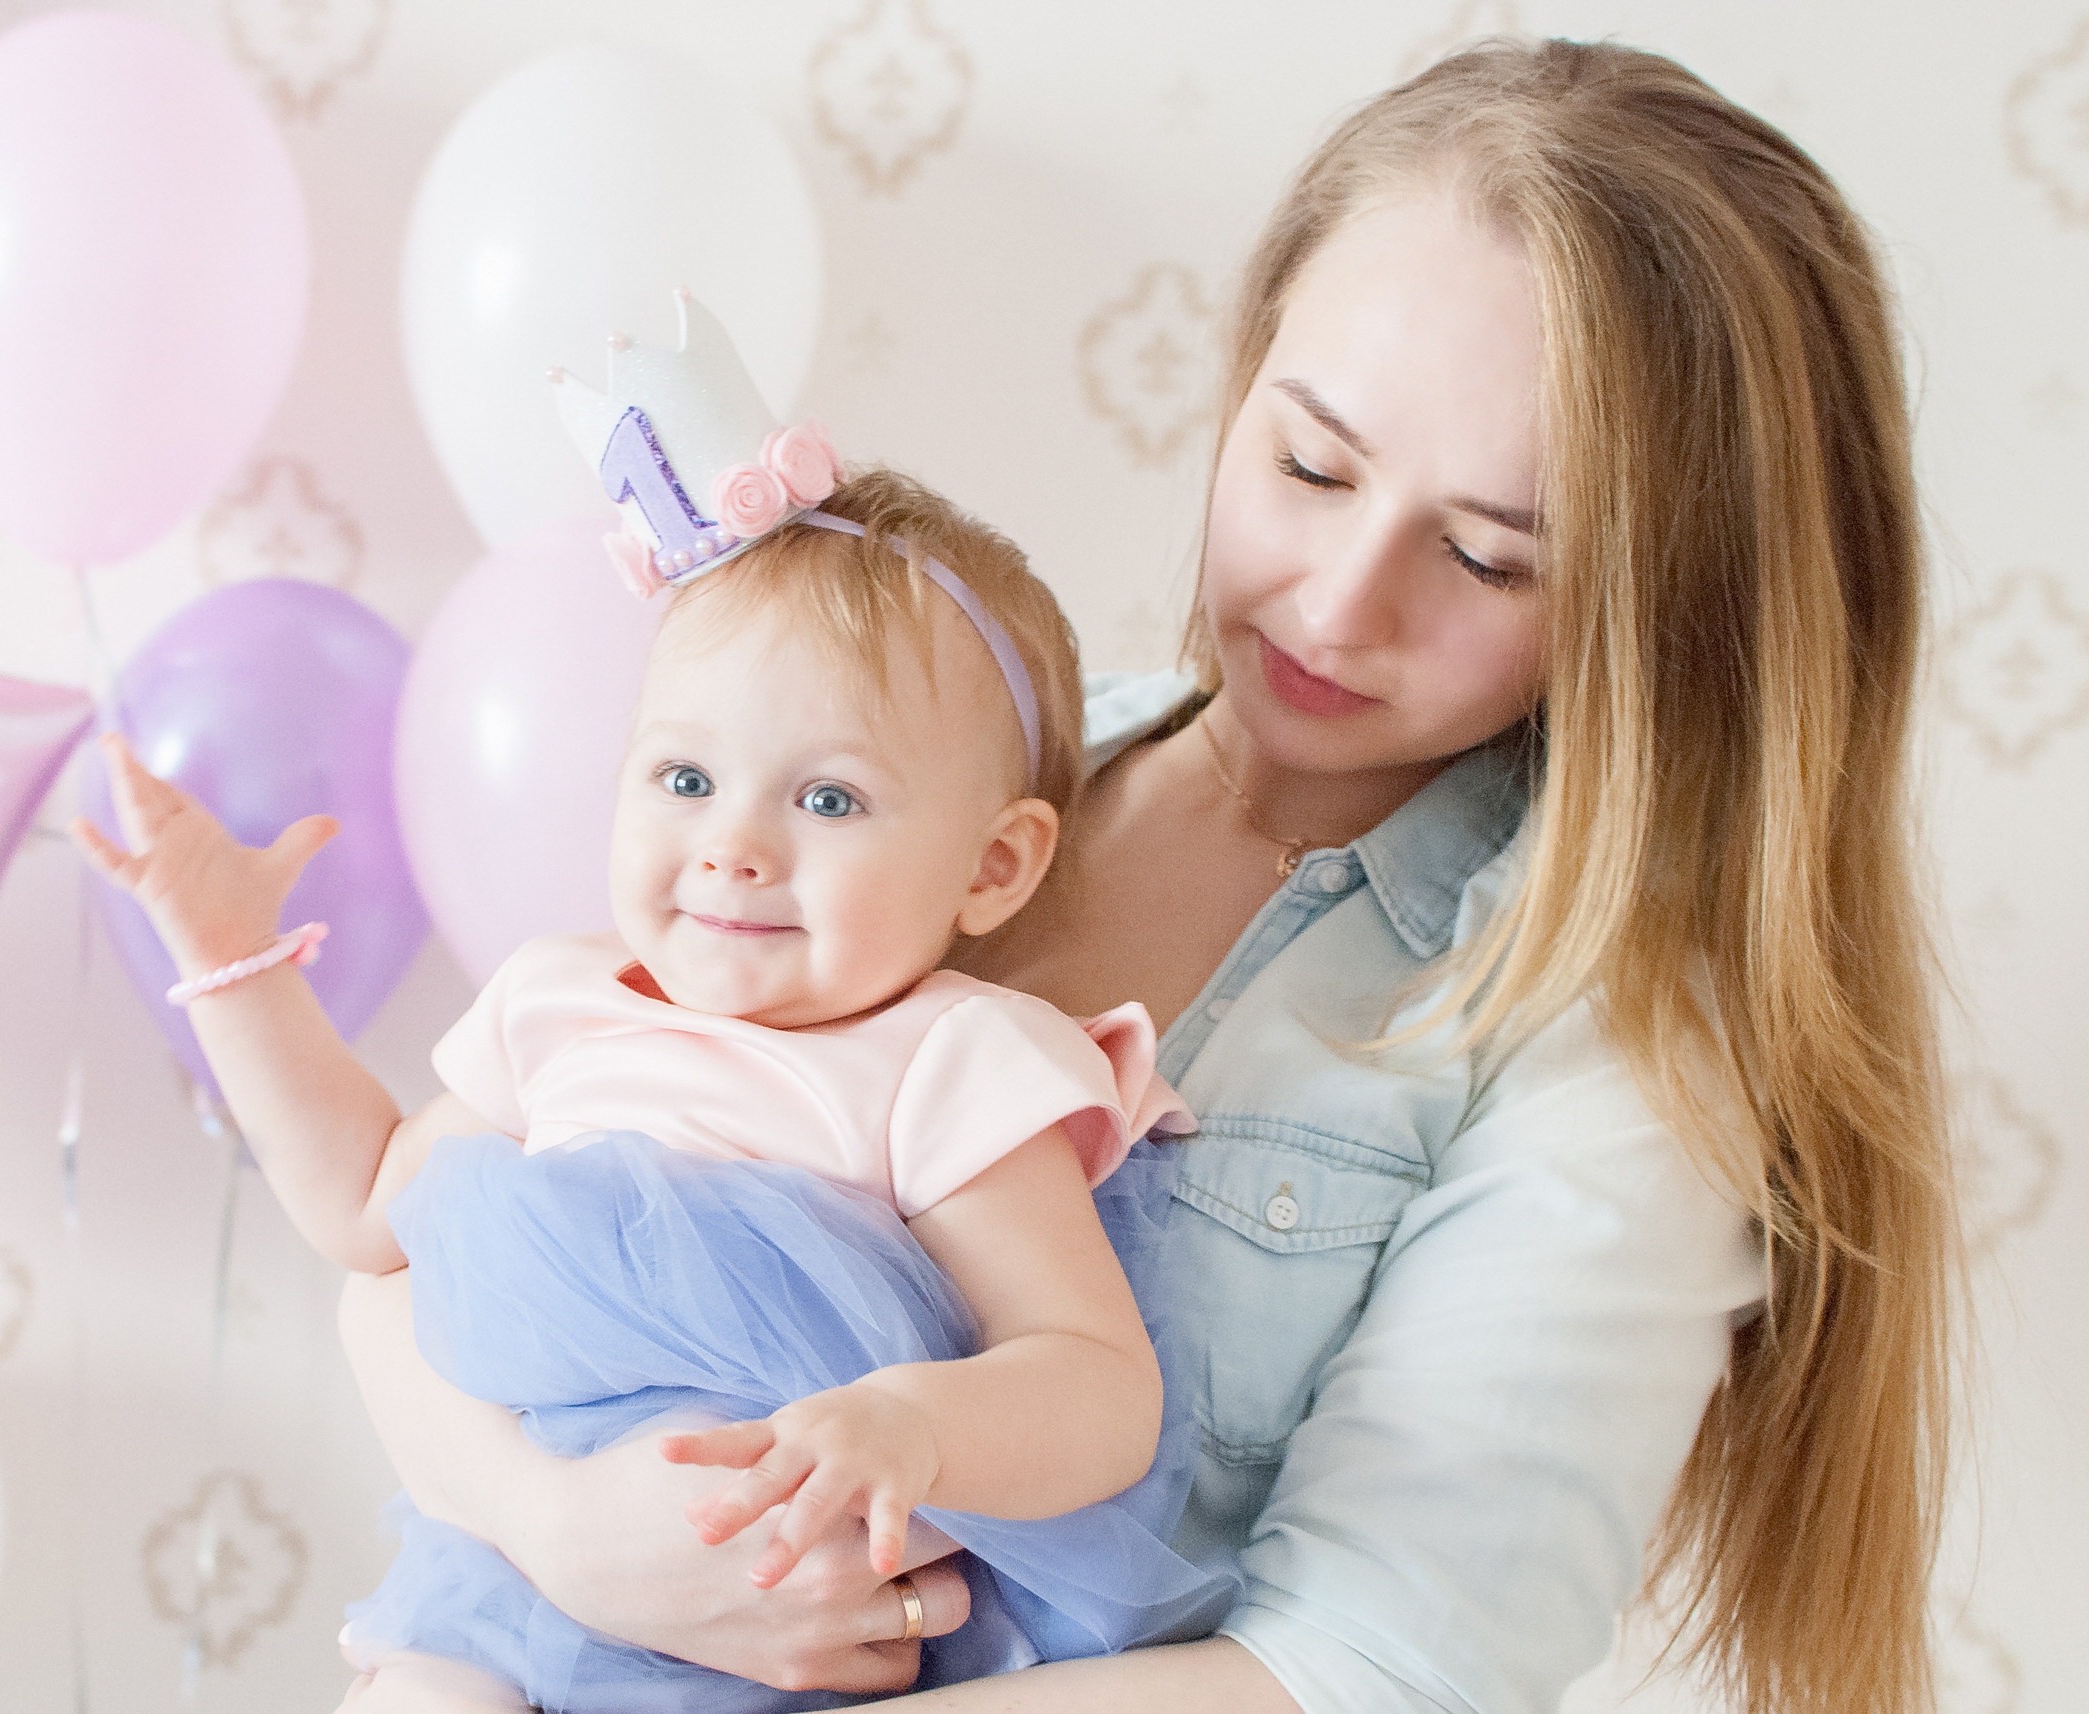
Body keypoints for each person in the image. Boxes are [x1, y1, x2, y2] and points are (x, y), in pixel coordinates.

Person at [339, 38, 1961, 1714]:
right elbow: (420, 1250)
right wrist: (559, 1535)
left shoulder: (1609, 1042)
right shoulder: (930, 775)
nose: (1336, 602)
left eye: (1484, 556)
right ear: (1245, 372)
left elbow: (1372, 1670)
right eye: (1310, 465)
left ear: (1657, 612)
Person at [77, 299, 1238, 1711]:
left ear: (994, 865)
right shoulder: (559, 1008)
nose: (733, 843)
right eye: (685, 777)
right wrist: (235, 965)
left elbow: (1098, 1383)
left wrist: (914, 1428)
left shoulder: (949, 1062)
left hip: (813, 1631)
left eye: (827, 797)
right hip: (515, 1594)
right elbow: (367, 1207)